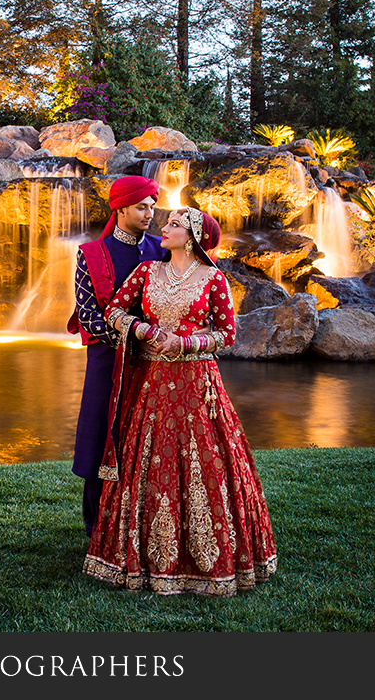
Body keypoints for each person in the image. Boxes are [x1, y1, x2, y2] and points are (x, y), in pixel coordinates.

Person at [82, 207, 277, 597]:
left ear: (191, 236)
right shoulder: (146, 273)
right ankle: (142, 558)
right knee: (150, 462)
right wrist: (142, 329)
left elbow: (228, 335)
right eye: (166, 222)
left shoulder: (214, 279)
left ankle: (209, 558)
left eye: (172, 224)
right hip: (152, 381)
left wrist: (186, 342)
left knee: (204, 462)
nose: (163, 228)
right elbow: (114, 311)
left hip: (197, 384)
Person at [68, 175, 166, 537]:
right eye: (142, 207)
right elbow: (88, 316)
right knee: (100, 432)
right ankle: (96, 521)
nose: (149, 213)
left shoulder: (163, 250)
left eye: (152, 207)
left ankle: (146, 518)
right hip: (107, 359)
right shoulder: (92, 254)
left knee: (151, 436)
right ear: (120, 208)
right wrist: (134, 340)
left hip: (157, 362)